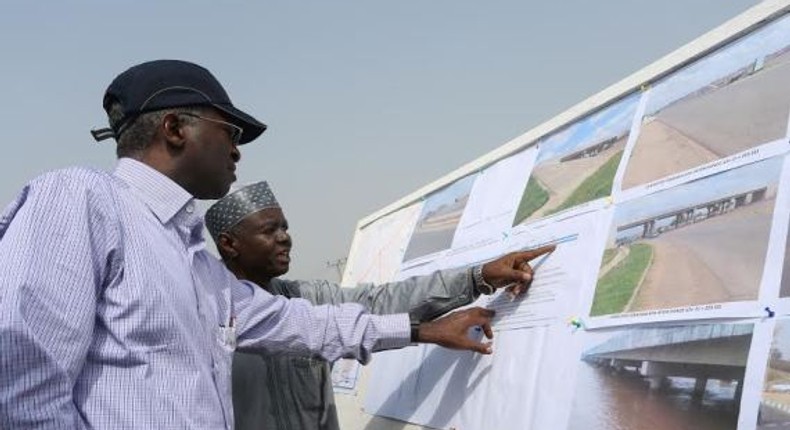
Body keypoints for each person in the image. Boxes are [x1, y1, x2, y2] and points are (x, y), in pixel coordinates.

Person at [0, 60, 536, 429]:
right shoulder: (78, 199)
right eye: (229, 132)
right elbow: (22, 374)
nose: (237, 152)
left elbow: (297, 322)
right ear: (174, 128)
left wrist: (423, 330)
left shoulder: (191, 259)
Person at [205, 181, 555, 430]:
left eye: (285, 227)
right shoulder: (205, 319)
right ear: (230, 244)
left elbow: (382, 301)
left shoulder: (306, 297)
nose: (285, 237)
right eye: (269, 230)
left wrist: (477, 278)